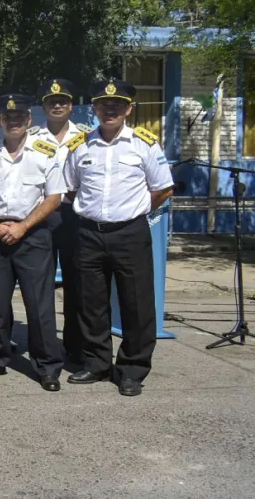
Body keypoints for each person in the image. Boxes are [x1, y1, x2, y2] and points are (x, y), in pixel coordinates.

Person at [64, 79, 173, 397]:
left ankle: (132, 370)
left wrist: (134, 211)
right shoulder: (80, 145)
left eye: (116, 105)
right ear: (94, 108)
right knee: (91, 305)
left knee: (136, 304)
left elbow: (163, 188)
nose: (109, 110)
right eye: (102, 105)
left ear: (129, 109)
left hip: (130, 233)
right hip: (89, 234)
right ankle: (97, 364)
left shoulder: (145, 144)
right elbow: (70, 189)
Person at [0, 94, 65, 391]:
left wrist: (23, 226)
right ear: (0, 122)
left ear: (28, 121)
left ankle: (47, 366)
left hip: (33, 236)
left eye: (19, 117)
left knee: (39, 305)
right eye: (8, 118)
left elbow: (54, 198)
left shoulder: (45, 154)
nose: (14, 122)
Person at [29, 78, 91, 363]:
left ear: (71, 105)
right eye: (52, 101)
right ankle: (42, 344)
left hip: (73, 215)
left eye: (63, 101)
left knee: (76, 282)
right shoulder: (30, 136)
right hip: (41, 214)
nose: (57, 105)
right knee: (40, 284)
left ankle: (75, 346)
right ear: (43, 105)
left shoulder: (87, 136)